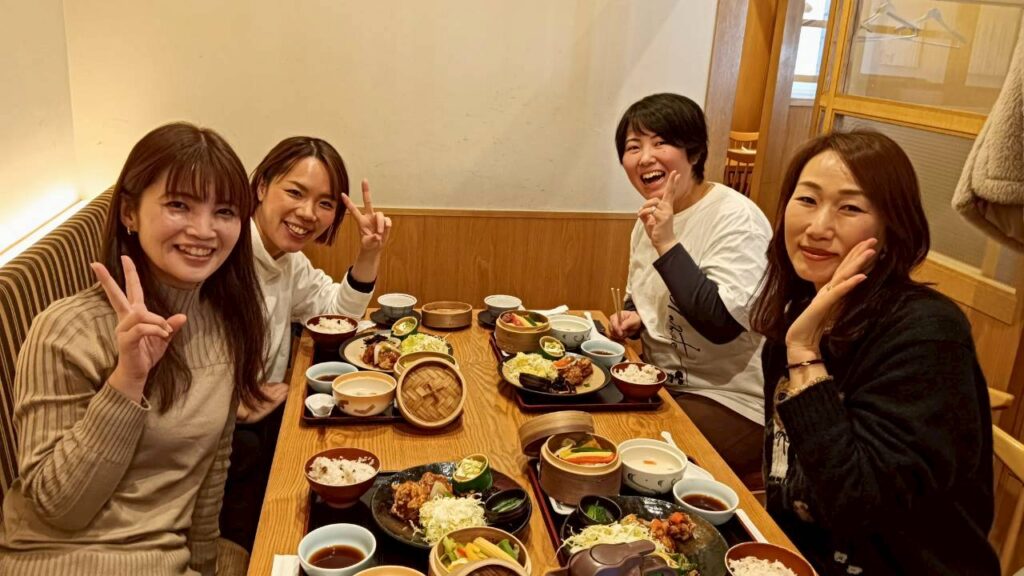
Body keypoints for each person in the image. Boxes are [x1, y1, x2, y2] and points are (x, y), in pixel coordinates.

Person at [0, 122, 266, 576]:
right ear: (129, 212)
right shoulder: (64, 331)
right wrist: (127, 381)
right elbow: (57, 507)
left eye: (224, 211)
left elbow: (210, 471)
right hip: (61, 561)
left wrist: (205, 566)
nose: (204, 230)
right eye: (179, 205)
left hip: (165, 557)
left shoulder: (227, 324)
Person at [750, 131, 997, 574]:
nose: (818, 227)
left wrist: (804, 353)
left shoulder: (928, 334)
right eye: (807, 199)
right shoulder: (800, 314)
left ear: (889, 228)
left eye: (850, 207)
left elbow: (856, 504)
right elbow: (785, 487)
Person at [219, 136, 391, 550]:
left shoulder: (287, 260)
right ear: (262, 186)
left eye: (324, 203)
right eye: (295, 193)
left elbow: (335, 313)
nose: (308, 213)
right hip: (230, 440)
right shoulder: (222, 253)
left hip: (266, 414)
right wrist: (231, 404)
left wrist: (369, 253)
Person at [608, 93, 771, 488]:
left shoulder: (736, 218)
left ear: (694, 153)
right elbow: (641, 294)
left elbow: (721, 324)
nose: (645, 157)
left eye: (661, 143)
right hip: (660, 383)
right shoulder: (649, 220)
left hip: (730, 398)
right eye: (633, 147)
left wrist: (667, 242)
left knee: (632, 465)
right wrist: (633, 317)